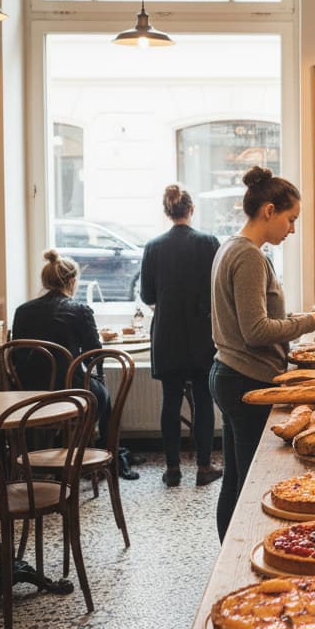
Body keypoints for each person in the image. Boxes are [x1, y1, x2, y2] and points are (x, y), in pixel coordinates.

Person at [210, 166, 315, 541]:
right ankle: (240, 553)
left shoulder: (231, 247)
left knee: (236, 476)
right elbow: (256, 331)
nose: (292, 229)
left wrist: (303, 325)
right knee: (250, 483)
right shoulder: (250, 256)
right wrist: (310, 322)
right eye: (291, 219)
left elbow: (259, 320)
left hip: (229, 372)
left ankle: (230, 552)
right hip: (246, 377)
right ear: (268, 211)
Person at [10, 249, 139, 480]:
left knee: (83, 384)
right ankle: (108, 454)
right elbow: (94, 355)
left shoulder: (22, 311)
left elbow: (16, 354)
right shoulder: (79, 310)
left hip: (29, 395)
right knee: (103, 394)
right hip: (69, 391)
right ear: (71, 281)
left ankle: (46, 453)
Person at [140, 184, 221, 488]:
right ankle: (204, 467)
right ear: (191, 210)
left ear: (167, 212)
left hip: (167, 333)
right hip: (202, 332)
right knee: (203, 399)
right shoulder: (208, 242)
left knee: (170, 402)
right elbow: (217, 289)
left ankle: (172, 470)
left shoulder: (153, 246)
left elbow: (147, 293)